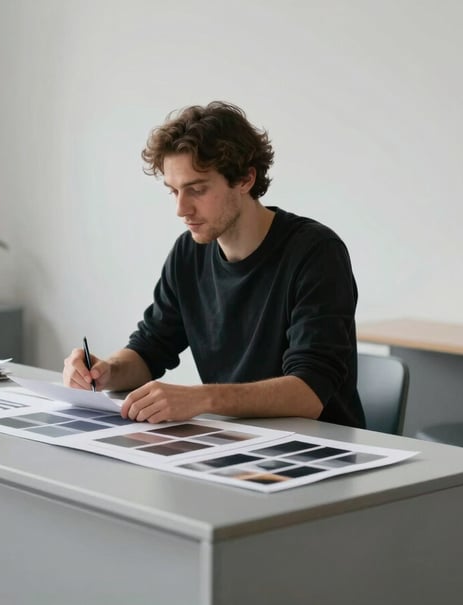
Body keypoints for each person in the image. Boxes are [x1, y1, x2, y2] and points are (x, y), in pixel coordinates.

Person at [63, 101, 364, 428]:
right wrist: (105, 371)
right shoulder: (188, 253)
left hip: (318, 452)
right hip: (235, 443)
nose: (181, 209)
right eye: (174, 191)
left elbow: (309, 393)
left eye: (197, 189)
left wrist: (201, 398)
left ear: (246, 179)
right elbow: (149, 350)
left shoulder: (315, 252)